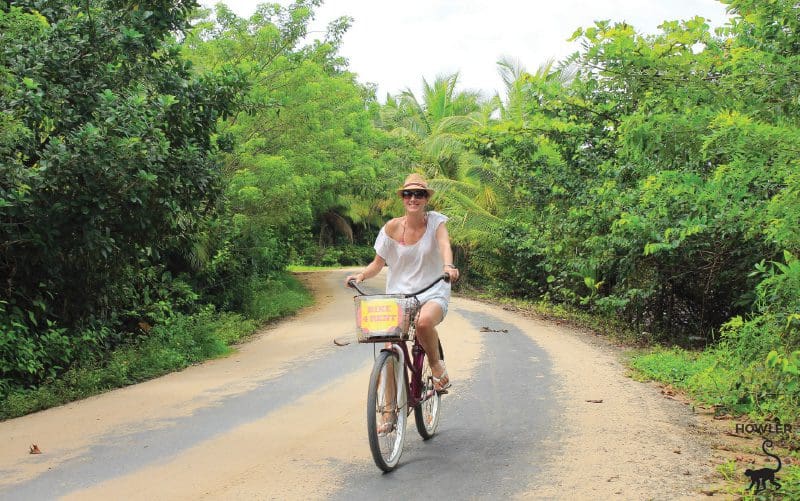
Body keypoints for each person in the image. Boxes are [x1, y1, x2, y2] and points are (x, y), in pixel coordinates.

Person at [346, 173, 459, 392]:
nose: (413, 198)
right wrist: (360, 276)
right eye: (408, 194)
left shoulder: (436, 221)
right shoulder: (391, 228)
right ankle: (389, 412)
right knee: (390, 350)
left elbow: (444, 245)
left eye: (418, 194)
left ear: (426, 199)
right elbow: (378, 263)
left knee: (424, 323)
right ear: (403, 198)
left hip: (432, 292)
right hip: (399, 297)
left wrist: (448, 266)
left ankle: (436, 366)